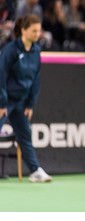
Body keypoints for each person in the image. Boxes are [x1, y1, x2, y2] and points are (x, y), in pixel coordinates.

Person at [0, 14, 52, 183]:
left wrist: (30, 103)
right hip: (4, 102)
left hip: (21, 103)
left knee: (25, 135)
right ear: (23, 30)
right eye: (34, 30)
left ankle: (36, 170)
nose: (37, 34)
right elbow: (1, 75)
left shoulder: (36, 50)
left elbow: (36, 78)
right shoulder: (10, 50)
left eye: (39, 30)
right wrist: (2, 102)